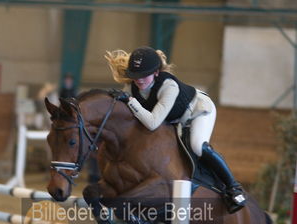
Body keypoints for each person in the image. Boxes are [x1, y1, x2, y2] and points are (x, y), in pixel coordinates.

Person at [105, 46, 246, 213]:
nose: (139, 80)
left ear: (156, 72)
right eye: (135, 76)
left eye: (144, 75)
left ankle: (234, 187)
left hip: (197, 110)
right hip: (173, 119)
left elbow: (152, 122)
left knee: (197, 146)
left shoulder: (169, 86)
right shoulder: (132, 87)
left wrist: (129, 101)